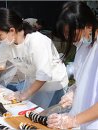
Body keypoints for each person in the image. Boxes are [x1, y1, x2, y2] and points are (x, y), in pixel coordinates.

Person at [0, 8, 68, 109]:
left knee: (49, 119)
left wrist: (24, 94)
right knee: (31, 114)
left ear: (12, 30)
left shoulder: (37, 42)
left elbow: (44, 75)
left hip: (53, 86)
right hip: (34, 84)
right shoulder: (7, 44)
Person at [47, 1, 98, 129]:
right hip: (82, 119)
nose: (70, 39)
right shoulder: (83, 46)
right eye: (65, 34)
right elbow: (84, 80)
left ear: (89, 26)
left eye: (71, 34)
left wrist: (73, 120)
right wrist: (74, 92)